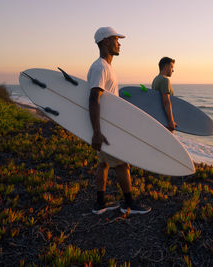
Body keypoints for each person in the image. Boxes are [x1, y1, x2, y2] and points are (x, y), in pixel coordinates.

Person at [88, 26, 151, 215]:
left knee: (104, 164)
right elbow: (93, 99)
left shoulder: (107, 67)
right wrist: (97, 132)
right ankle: (129, 204)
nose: (119, 43)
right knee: (123, 164)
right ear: (105, 42)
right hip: (107, 129)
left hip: (106, 125)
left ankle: (100, 204)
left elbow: (108, 99)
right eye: (116, 39)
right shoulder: (100, 67)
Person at [151, 57, 177, 133]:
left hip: (158, 119)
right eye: (171, 67)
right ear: (165, 66)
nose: (173, 70)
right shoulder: (165, 80)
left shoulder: (155, 79)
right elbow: (166, 102)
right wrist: (171, 121)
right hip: (165, 122)